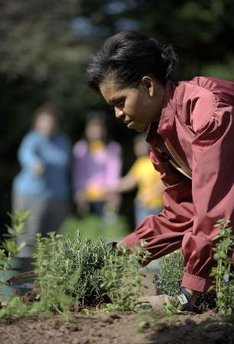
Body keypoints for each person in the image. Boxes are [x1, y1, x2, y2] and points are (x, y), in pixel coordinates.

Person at [86, 31, 234, 310]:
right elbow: (183, 212)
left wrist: (188, 294)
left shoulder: (206, 111)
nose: (118, 114)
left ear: (147, 85)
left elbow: (215, 210)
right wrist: (119, 256)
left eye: (120, 102)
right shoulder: (161, 138)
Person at [12, 102, 72, 263]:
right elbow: (26, 154)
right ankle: (22, 282)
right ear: (37, 122)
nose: (47, 125)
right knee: (28, 240)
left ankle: (44, 282)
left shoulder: (63, 141)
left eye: (50, 121)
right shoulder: (32, 139)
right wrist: (35, 164)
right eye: (43, 121)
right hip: (31, 196)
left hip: (58, 198)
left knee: (51, 242)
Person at [108, 133, 163, 227]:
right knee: (143, 233)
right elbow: (130, 181)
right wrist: (112, 187)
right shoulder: (139, 163)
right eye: (136, 145)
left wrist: (151, 195)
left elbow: (164, 183)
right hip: (143, 204)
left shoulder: (157, 161)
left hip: (158, 205)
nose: (137, 148)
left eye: (140, 145)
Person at [72, 115, 122, 220]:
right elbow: (78, 172)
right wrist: (79, 190)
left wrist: (112, 190)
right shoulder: (80, 147)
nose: (95, 131)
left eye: (98, 128)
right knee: (86, 227)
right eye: (92, 128)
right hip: (86, 194)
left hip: (106, 193)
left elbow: (113, 171)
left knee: (108, 227)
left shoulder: (113, 148)